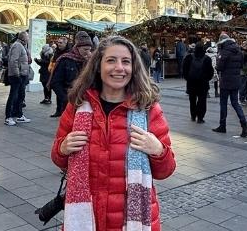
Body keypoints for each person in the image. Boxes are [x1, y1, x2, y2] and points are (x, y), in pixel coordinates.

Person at [51, 36, 176, 231]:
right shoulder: (77, 105)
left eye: (126, 61)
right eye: (111, 60)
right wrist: (62, 147)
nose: (119, 68)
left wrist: (158, 150)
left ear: (133, 67)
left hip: (131, 221)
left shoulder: (148, 108)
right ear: (98, 65)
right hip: (87, 218)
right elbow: (58, 158)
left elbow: (166, 170)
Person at [213, 32, 247, 137]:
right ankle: (244, 125)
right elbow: (241, 65)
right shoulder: (239, 51)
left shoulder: (224, 52)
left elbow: (219, 67)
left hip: (225, 81)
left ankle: (222, 126)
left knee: (223, 103)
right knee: (235, 103)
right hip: (236, 80)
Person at [49, 31, 92, 118]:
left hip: (86, 102)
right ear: (77, 48)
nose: (88, 52)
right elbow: (55, 82)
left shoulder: (90, 62)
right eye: (85, 50)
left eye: (89, 50)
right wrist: (66, 99)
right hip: (70, 101)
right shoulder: (65, 60)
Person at [182, 41, 214, 123]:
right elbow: (211, 72)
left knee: (192, 100)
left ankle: (193, 115)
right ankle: (200, 117)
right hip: (203, 83)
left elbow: (184, 70)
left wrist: (188, 78)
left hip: (191, 83)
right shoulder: (207, 59)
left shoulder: (189, 57)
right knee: (202, 100)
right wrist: (206, 79)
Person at [5, 31, 31, 125]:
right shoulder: (17, 45)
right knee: (13, 96)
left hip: (22, 74)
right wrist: (17, 74)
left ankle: (19, 115)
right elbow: (13, 60)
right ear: (23, 38)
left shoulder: (22, 45)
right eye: (27, 37)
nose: (28, 38)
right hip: (17, 75)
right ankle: (8, 117)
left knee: (21, 95)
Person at [239, 40, 247, 105]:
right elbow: (241, 64)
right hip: (243, 73)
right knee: (243, 86)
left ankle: (246, 97)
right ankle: (242, 99)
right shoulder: (242, 53)